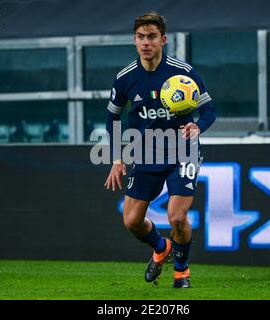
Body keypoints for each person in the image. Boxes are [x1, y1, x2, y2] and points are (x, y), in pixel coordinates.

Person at [104, 12, 217, 288]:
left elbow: (209, 111)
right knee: (131, 221)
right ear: (134, 40)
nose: (146, 43)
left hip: (183, 150)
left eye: (151, 37)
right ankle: (160, 247)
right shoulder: (125, 78)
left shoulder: (184, 73)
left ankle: (181, 270)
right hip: (145, 153)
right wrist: (117, 157)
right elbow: (112, 119)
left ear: (163, 40)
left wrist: (198, 128)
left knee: (177, 217)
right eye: (141, 37)